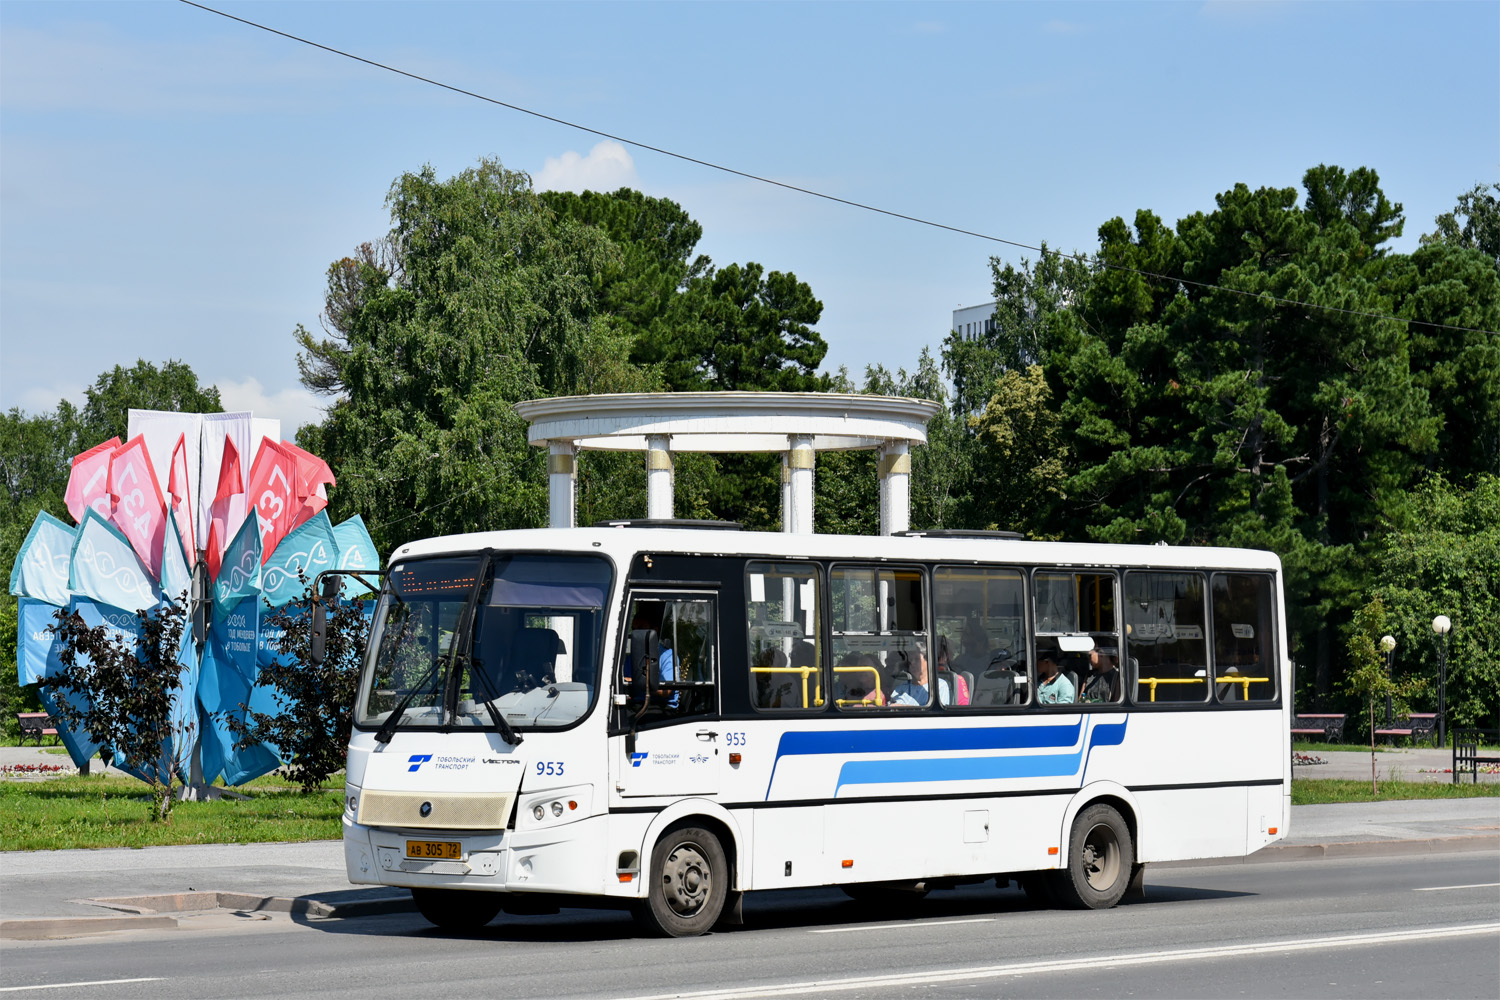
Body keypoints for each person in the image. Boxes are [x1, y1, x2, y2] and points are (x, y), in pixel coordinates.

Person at [933, 635, 970, 706]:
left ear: (948, 656)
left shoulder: (957, 680)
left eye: (939, 655)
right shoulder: (922, 679)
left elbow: (963, 707)